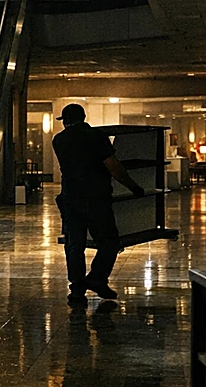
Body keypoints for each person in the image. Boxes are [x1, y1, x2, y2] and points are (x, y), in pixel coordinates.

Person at [52, 104, 146, 304]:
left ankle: (77, 289)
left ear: (66, 121)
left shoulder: (59, 140)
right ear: (84, 117)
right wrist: (134, 186)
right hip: (96, 199)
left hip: (70, 200)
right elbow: (114, 167)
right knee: (109, 242)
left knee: (74, 245)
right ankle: (97, 278)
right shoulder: (97, 137)